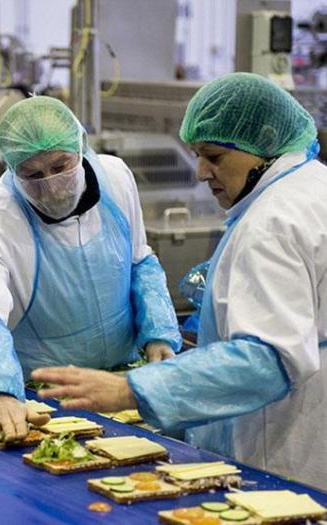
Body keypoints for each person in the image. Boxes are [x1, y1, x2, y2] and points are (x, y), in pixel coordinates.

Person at [33, 73, 327, 491]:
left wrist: (132, 389)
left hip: (283, 449)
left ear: (262, 143)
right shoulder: (313, 186)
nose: (201, 172)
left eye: (213, 157)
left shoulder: (272, 223)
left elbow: (266, 361)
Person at [0, 96, 181, 445]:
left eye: (61, 167)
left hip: (121, 386)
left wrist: (158, 330)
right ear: (11, 170)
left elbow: (139, 261)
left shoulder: (115, 178)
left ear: (81, 147)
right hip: (50, 399)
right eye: (33, 175)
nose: (53, 187)